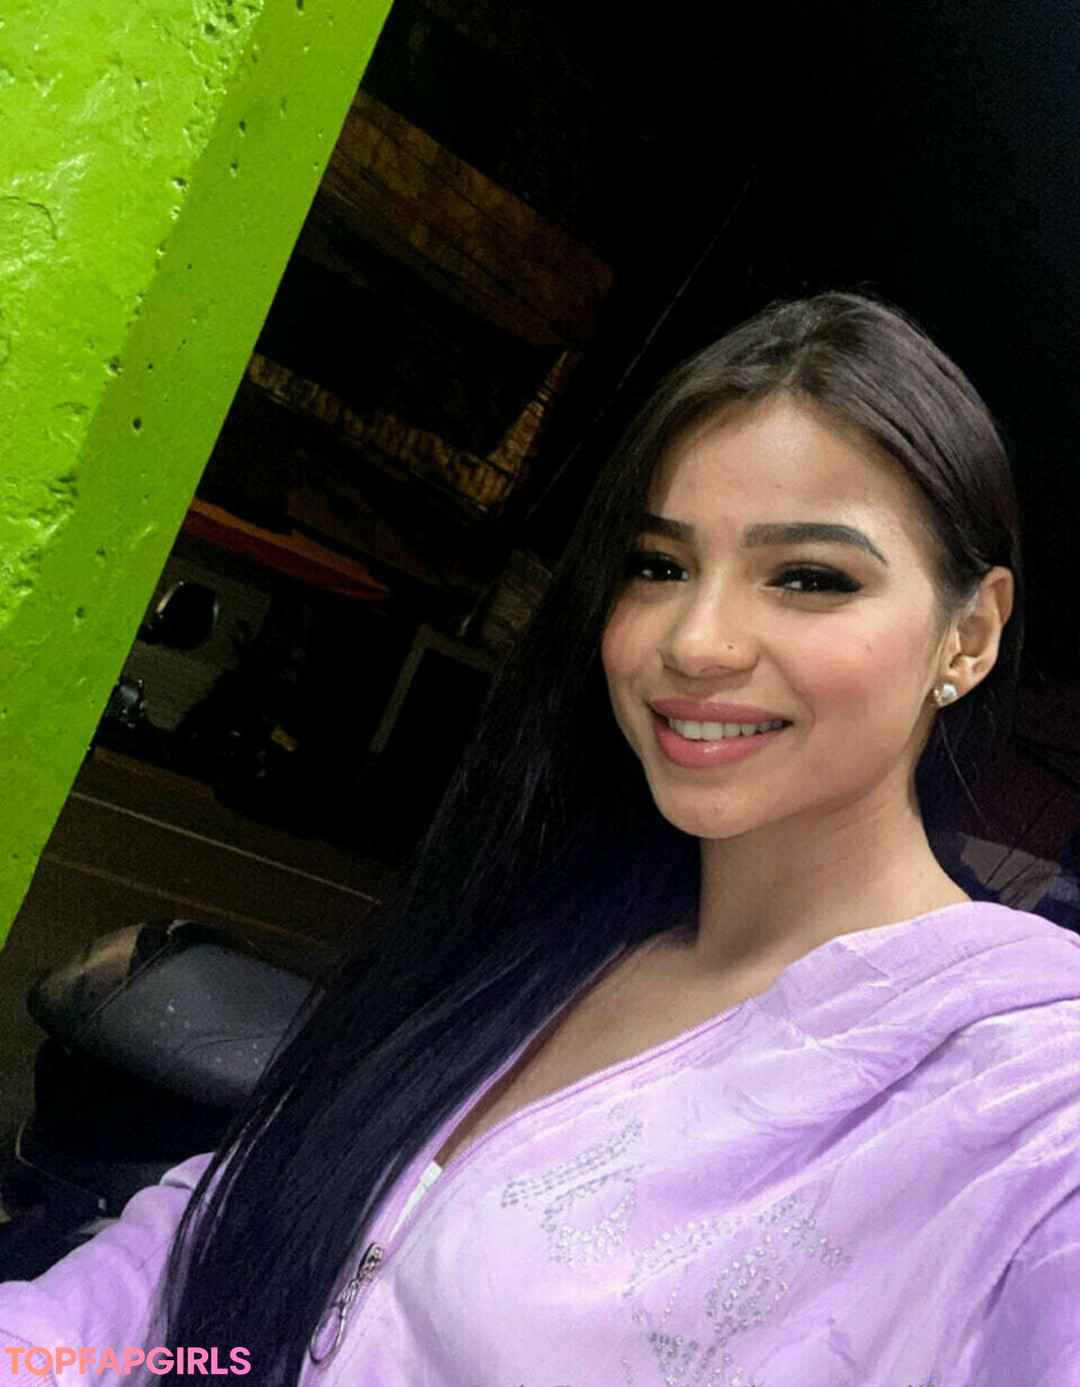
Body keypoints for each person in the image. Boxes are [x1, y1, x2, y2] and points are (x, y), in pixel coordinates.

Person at [1, 290, 1078, 1386]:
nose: (696, 640)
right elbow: (222, 1236)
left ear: (969, 633)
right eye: (659, 565)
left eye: (809, 577)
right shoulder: (549, 933)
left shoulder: (1030, 1107)